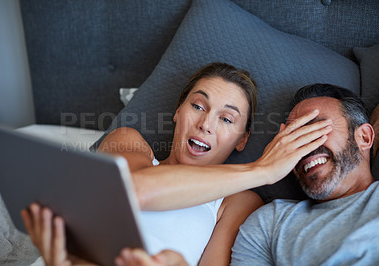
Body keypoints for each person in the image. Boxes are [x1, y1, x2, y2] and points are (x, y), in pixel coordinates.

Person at [21, 63, 331, 266]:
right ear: (177, 112)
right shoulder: (127, 140)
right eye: (197, 105)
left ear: (242, 139)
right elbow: (134, 189)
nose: (205, 123)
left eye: (226, 118)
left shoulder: (236, 201)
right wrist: (262, 169)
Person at [230, 83, 379, 265]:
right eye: (293, 137)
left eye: (316, 129)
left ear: (364, 137)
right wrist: (262, 170)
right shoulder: (270, 224)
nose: (304, 147)